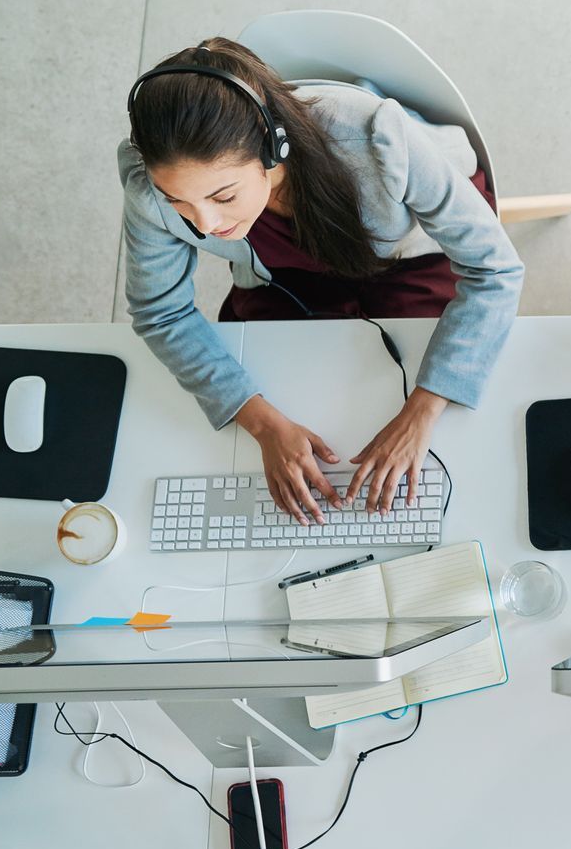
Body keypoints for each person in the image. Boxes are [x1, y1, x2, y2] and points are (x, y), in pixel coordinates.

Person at [120, 38, 523, 522]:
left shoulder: (374, 138)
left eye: (223, 196)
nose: (203, 224)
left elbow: (495, 269)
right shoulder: (150, 189)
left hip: (407, 255)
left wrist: (423, 411)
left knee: (430, 379)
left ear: (272, 149)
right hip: (284, 274)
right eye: (179, 201)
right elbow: (159, 310)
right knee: (285, 375)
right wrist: (263, 424)